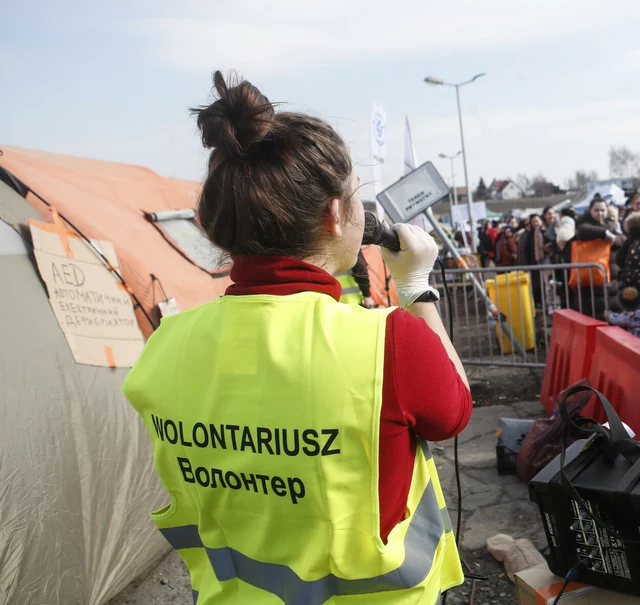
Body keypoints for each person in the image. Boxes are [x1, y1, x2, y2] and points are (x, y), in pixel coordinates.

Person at [123, 71, 468, 603]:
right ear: (335, 213)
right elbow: (454, 411)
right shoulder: (390, 344)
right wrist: (417, 287)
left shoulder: (166, 344)